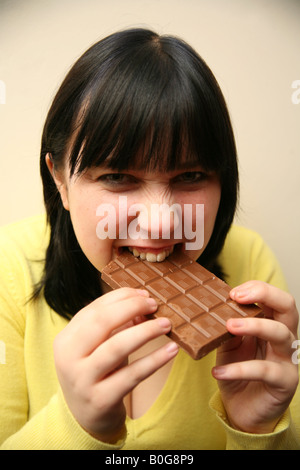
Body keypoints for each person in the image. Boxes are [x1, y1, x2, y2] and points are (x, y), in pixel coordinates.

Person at [0, 28, 299, 450]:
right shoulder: (7, 267)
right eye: (118, 177)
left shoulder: (250, 265)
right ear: (60, 180)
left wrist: (257, 431)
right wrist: (78, 428)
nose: (160, 224)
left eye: (190, 176)